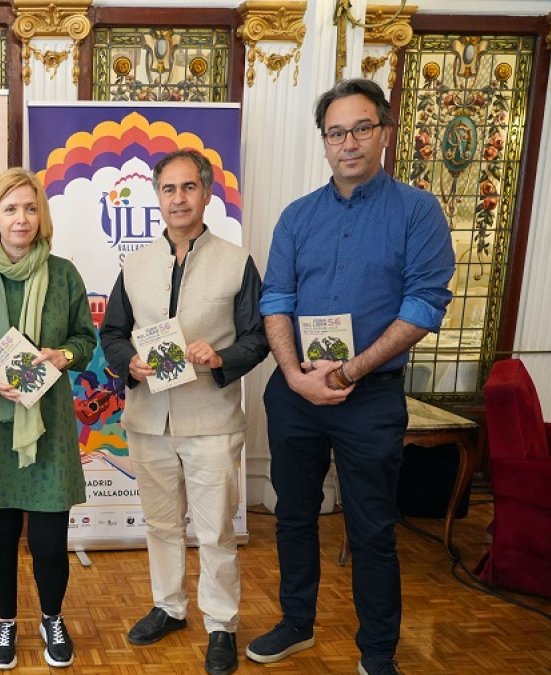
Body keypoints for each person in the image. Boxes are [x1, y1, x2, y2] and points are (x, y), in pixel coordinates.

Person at [246, 79, 454, 675]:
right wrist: (293, 373)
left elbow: (423, 305)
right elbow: (277, 298)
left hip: (371, 395)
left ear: (384, 133)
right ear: (325, 142)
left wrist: (351, 370)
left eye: (362, 128)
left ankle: (378, 652)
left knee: (370, 525)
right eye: (336, 133)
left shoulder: (418, 212)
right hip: (296, 391)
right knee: (292, 514)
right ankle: (296, 623)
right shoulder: (297, 216)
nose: (349, 143)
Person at [99, 149, 268, 675]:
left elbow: (258, 337)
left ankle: (221, 624)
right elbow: (112, 333)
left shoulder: (237, 261)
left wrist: (221, 358)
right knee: (162, 523)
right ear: (157, 197)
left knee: (216, 529)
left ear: (207, 193)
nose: (179, 198)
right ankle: (169, 607)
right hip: (149, 419)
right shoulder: (135, 264)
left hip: (210, 420)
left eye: (189, 187)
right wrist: (130, 364)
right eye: (169, 189)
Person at [0, 168, 98, 670]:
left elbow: (86, 339)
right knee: (1, 535)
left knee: (50, 541)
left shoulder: (65, 274)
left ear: (42, 215)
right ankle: (6, 622)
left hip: (49, 422)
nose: (21, 218)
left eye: (30, 208)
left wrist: (61, 356)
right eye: (10, 208)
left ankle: (52, 617)